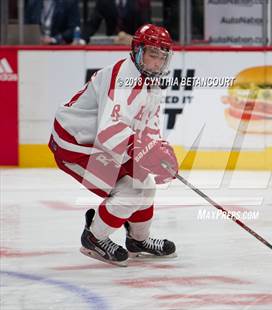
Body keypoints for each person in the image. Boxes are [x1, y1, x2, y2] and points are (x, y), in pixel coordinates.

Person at [48, 24, 178, 266]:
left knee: (145, 184)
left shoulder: (152, 85)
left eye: (162, 57)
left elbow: (149, 129)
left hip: (100, 142)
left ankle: (138, 240)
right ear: (138, 51)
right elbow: (108, 132)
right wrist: (145, 153)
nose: (158, 63)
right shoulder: (123, 77)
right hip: (76, 144)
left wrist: (160, 154)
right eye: (153, 54)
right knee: (130, 191)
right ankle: (94, 238)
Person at [81, 0, 151, 44]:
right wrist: (82, 40)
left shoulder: (140, 2)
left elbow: (145, 26)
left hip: (133, 43)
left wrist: (137, 40)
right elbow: (93, 23)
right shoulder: (103, 1)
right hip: (112, 43)